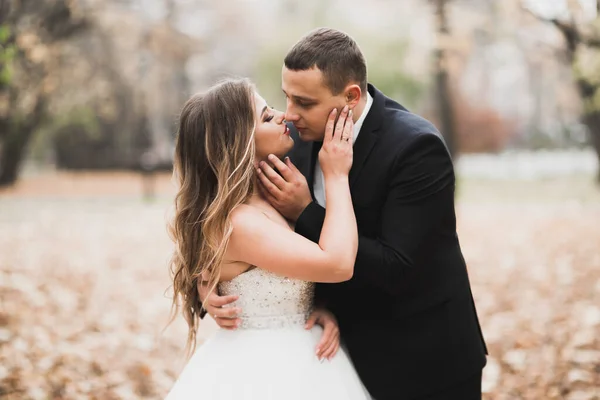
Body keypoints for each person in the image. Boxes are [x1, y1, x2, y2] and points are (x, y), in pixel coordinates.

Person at [201, 28, 488, 400]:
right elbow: (231, 230)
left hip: (422, 361)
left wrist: (305, 211)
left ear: (351, 96)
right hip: (323, 361)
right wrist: (207, 290)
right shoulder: (292, 143)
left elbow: (396, 267)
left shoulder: (416, 149)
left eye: (304, 102)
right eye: (287, 97)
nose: (289, 114)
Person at [166, 78, 372, 399]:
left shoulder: (269, 191)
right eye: (265, 116)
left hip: (306, 350)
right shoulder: (240, 223)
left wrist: (319, 306)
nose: (283, 116)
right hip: (264, 370)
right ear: (237, 143)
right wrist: (336, 173)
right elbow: (338, 264)